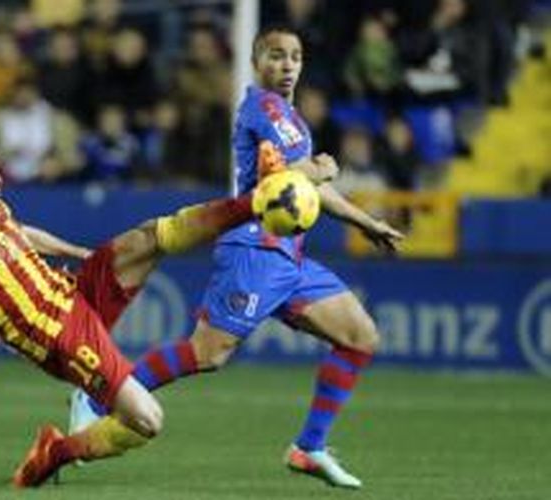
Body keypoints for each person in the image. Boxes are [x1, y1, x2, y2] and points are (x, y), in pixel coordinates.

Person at [70, 25, 404, 489]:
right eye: (275, 56)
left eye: (295, 57)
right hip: (253, 246)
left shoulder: (291, 116)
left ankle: (309, 448)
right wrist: (322, 167)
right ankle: (97, 396)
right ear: (255, 61)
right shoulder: (263, 109)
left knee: (360, 336)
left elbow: (307, 190)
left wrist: (365, 222)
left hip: (290, 256)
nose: (286, 65)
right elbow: (288, 181)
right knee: (207, 354)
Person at [0, 136, 306, 488]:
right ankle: (56, 453)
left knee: (150, 237)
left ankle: (254, 202)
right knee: (148, 421)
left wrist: (78, 253)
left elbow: (21, 235)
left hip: (74, 292)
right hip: (59, 335)